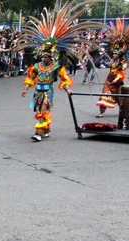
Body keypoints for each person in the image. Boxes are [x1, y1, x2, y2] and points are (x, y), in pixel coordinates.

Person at [17, 2, 97, 141]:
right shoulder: (37, 66)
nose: (44, 57)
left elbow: (64, 79)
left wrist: (67, 89)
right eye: (43, 55)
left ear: (52, 56)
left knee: (43, 111)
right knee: (41, 111)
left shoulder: (56, 67)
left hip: (48, 92)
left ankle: (39, 132)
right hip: (38, 92)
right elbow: (31, 78)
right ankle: (46, 129)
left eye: (46, 56)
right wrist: (26, 88)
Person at [96, 19, 129, 118]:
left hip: (117, 82)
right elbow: (109, 65)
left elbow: (122, 72)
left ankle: (123, 113)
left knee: (120, 99)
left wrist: (117, 77)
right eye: (113, 53)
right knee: (104, 94)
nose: (114, 55)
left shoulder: (123, 62)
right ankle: (102, 111)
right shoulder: (113, 61)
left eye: (116, 54)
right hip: (109, 80)